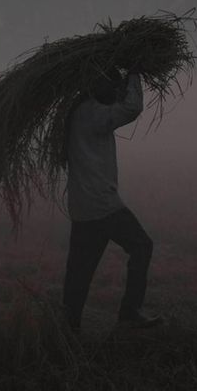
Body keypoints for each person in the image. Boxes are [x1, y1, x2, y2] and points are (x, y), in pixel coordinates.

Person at [62, 66, 162, 332]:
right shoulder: (92, 113)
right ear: (98, 86)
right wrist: (135, 74)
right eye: (112, 87)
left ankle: (67, 332)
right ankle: (129, 312)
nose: (116, 93)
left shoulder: (79, 112)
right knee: (142, 246)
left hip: (83, 208)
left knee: (78, 276)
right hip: (102, 206)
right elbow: (131, 108)